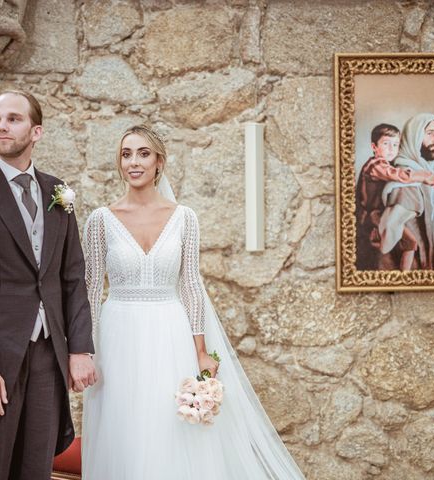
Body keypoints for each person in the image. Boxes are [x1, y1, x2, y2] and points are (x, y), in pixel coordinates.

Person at [81, 125, 305, 479]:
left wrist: (201, 351)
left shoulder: (185, 217)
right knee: (125, 425)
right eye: (126, 154)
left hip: (171, 331)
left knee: (169, 426)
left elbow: (190, 285)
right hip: (118, 334)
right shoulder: (100, 220)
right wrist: (86, 351)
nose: (134, 162)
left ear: (159, 162)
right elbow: (91, 289)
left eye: (143, 154)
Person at [0, 90, 96, 479]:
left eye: (12, 118)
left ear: (36, 131)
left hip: (48, 357)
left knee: (35, 469)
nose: (1, 126)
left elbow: (72, 278)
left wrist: (80, 349)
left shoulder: (58, 192)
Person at [356, 123, 434, 271]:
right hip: (371, 215)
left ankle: (403, 276)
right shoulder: (375, 165)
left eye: (395, 145)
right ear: (374, 147)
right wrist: (422, 176)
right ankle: (383, 255)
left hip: (381, 214)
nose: (391, 149)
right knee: (381, 248)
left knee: (411, 242)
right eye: (386, 144)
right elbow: (395, 174)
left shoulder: (388, 163)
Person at [379, 114, 434, 270]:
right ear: (414, 137)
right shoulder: (406, 184)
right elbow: (389, 233)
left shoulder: (416, 174)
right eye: (429, 133)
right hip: (409, 268)